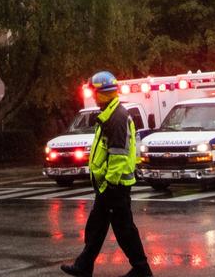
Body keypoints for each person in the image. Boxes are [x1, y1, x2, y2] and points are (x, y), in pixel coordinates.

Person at [61, 71, 152, 277]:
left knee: (124, 230)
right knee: (97, 227)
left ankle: (142, 269)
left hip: (115, 185)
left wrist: (110, 184)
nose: (93, 96)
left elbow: (118, 155)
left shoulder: (116, 117)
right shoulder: (109, 114)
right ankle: (84, 266)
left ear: (103, 93)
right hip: (108, 184)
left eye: (95, 92)